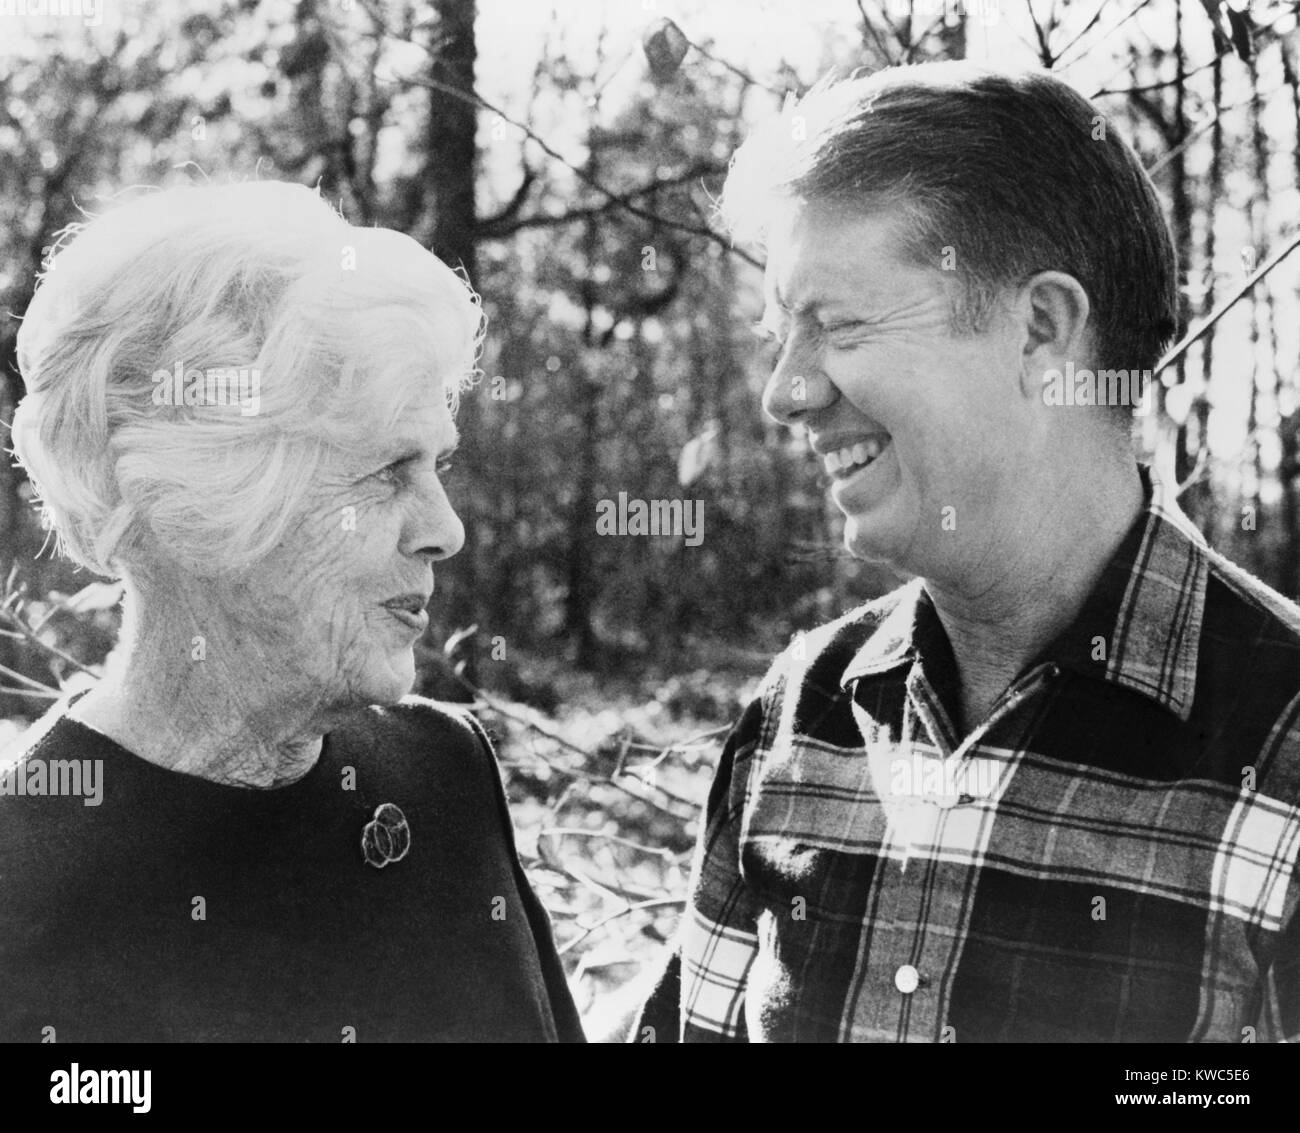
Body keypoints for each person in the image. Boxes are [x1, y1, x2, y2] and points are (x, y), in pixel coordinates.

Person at [634, 61, 1300, 1042]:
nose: (784, 392)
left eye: (838, 325)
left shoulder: (1281, 738)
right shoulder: (797, 713)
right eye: (780, 334)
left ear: (1041, 330)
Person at [0, 180, 583, 1042]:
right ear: (193, 500)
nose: (446, 530)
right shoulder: (22, 877)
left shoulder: (443, 771)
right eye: (387, 470)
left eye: (438, 465)